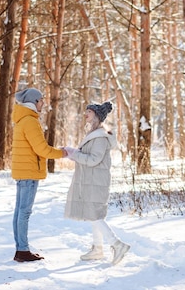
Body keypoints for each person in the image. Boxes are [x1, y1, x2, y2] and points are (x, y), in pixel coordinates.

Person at [63, 101, 130, 265]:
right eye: (85, 111)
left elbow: (93, 160)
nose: (85, 114)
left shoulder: (100, 136)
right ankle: (97, 249)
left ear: (97, 116)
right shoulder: (94, 134)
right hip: (91, 180)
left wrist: (73, 154)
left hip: (96, 181)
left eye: (89, 112)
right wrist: (75, 153)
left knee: (94, 215)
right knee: (93, 214)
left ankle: (117, 244)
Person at [11, 87, 67, 262]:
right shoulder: (30, 121)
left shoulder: (22, 119)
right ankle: (22, 250)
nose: (43, 103)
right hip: (29, 172)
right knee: (24, 212)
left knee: (19, 211)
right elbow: (41, 149)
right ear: (34, 102)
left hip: (23, 171)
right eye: (41, 100)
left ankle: (20, 248)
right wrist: (63, 153)